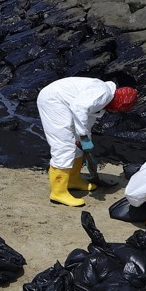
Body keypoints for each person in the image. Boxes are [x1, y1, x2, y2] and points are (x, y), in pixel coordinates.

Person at [36, 76, 138, 207]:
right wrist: (83, 137)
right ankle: (58, 192)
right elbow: (79, 108)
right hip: (53, 101)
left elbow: (87, 121)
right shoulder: (102, 93)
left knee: (76, 145)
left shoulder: (102, 98)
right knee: (64, 146)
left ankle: (73, 180)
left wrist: (85, 140)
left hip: (66, 103)